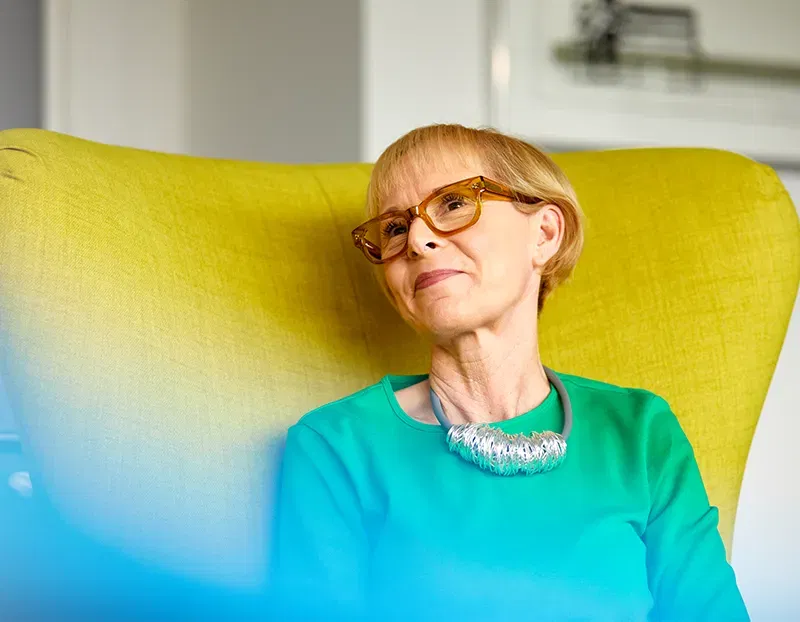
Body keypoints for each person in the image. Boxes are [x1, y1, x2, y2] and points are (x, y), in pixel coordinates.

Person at [269, 124, 749, 620]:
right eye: (393, 228)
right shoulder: (335, 446)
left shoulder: (641, 432)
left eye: (454, 204)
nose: (416, 239)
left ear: (544, 234)